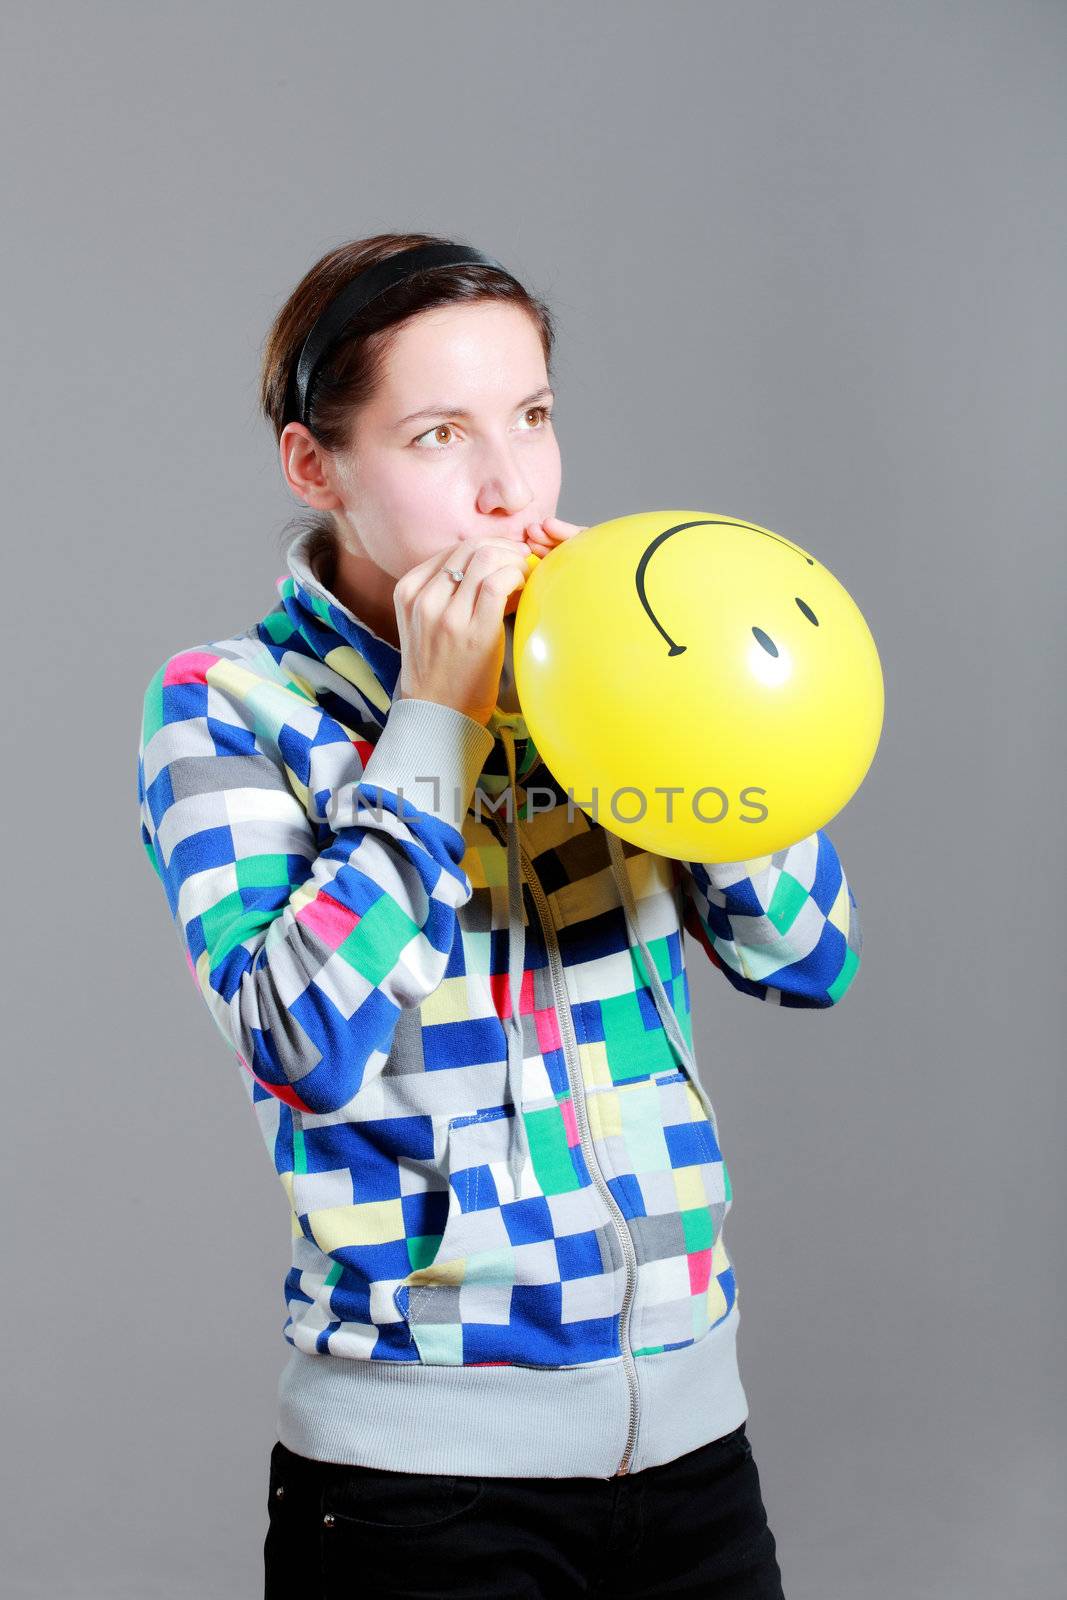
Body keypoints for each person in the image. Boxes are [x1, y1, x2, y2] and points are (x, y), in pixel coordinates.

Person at [136, 232, 864, 1598]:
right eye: (436, 436)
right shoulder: (231, 706)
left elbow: (810, 955)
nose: (507, 487)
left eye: (531, 420)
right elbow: (303, 1042)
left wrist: (684, 685)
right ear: (317, 466)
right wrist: (432, 718)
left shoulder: (612, 671)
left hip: (697, 1453)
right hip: (419, 1497)